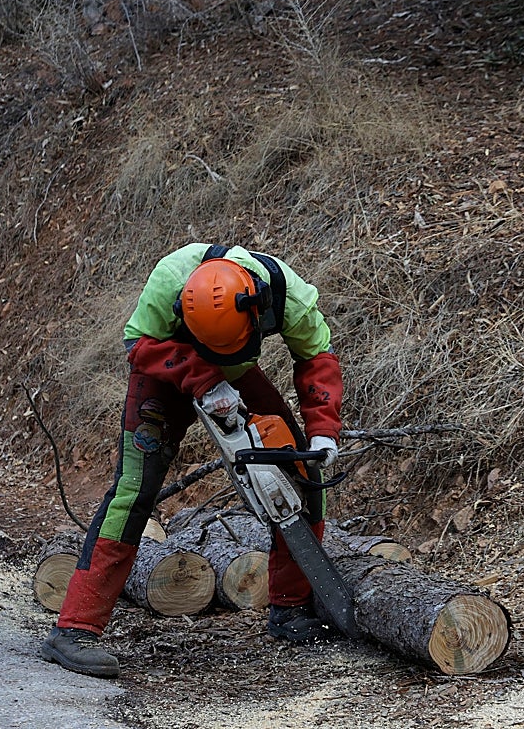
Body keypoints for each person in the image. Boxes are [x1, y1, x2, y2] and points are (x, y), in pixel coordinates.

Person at [40, 242, 344, 678]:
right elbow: (137, 344)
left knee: (301, 469)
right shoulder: (169, 278)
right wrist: (201, 378)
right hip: (166, 367)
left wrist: (322, 430)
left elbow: (316, 357)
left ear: (255, 310)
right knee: (134, 491)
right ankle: (75, 629)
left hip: (235, 369)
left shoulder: (286, 292)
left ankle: (291, 609)